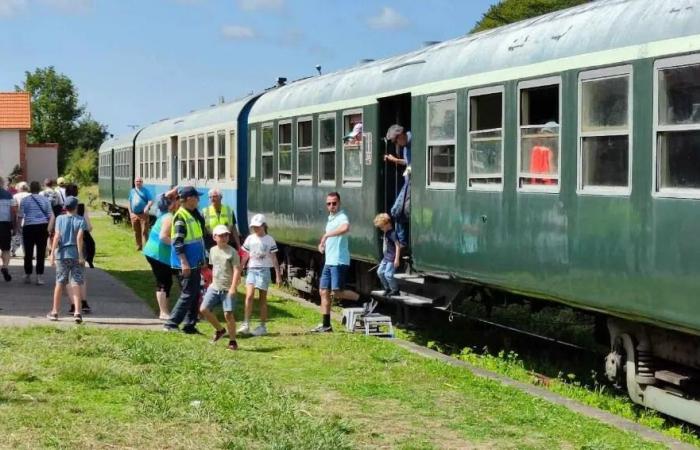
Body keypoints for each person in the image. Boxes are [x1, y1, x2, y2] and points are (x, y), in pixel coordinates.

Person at [312, 192, 361, 333]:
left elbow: (345, 228)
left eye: (334, 203)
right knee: (323, 291)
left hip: (339, 260)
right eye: (329, 203)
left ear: (339, 203)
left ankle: (365, 300)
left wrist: (327, 234)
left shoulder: (342, 217)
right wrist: (322, 245)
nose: (332, 206)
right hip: (329, 260)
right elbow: (332, 239)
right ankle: (326, 325)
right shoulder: (331, 219)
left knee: (337, 292)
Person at [163, 186, 206, 333]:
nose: (199, 200)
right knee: (188, 293)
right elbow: (178, 242)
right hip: (185, 263)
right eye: (196, 197)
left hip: (194, 262)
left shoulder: (192, 214)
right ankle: (171, 323)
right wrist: (184, 262)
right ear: (189, 199)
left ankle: (189, 325)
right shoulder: (181, 217)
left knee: (194, 293)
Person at [237, 214, 281, 337]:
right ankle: (246, 324)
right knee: (249, 296)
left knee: (262, 298)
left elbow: (274, 258)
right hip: (252, 269)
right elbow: (245, 256)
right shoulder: (250, 239)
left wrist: (278, 274)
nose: (255, 229)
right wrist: (240, 269)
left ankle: (262, 326)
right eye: (253, 227)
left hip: (264, 270)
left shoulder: (269, 240)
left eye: (257, 227)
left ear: (263, 226)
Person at [200, 224, 242, 350]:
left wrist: (233, 288)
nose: (224, 237)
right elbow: (214, 268)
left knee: (228, 314)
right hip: (214, 287)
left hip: (227, 288)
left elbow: (236, 271)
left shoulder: (232, 252)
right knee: (203, 309)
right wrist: (210, 282)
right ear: (214, 237)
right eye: (221, 235)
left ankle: (233, 341)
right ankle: (220, 330)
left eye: (226, 235)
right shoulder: (212, 250)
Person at [47, 196, 87, 323]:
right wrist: (80, 255)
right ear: (76, 207)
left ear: (65, 207)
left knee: (59, 283)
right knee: (76, 283)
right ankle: (77, 312)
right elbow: (79, 238)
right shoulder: (81, 220)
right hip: (75, 254)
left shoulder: (59, 218)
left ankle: (54, 312)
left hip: (62, 255)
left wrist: (52, 253)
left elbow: (57, 236)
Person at [143, 189, 178, 320]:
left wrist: (172, 192)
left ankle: (165, 311)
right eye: (175, 201)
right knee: (163, 282)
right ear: (171, 205)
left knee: (166, 282)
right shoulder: (169, 217)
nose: (177, 203)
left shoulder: (162, 213)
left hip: (154, 253)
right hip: (158, 255)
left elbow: (160, 197)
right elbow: (163, 237)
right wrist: (177, 244)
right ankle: (163, 312)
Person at [65, 184, 93, 314]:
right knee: (80, 275)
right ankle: (84, 302)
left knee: (67, 277)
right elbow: (89, 226)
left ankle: (72, 304)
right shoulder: (81, 207)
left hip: (64, 247)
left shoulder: (61, 208)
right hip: (81, 245)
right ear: (76, 193)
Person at [20, 181, 54, 285]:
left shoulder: (24, 200)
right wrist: (49, 229)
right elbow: (51, 215)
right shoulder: (45, 200)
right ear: (39, 189)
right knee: (41, 252)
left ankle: (28, 274)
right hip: (42, 227)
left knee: (28, 252)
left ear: (30, 188)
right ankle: (39, 276)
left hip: (29, 227)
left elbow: (20, 215)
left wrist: (18, 227)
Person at [385, 124, 412, 247]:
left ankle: (402, 244)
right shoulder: (406, 146)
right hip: (408, 181)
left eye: (396, 141)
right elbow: (408, 162)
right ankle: (401, 242)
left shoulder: (413, 142)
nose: (397, 144)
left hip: (412, 183)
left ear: (401, 135)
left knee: (397, 211)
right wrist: (395, 160)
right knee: (398, 211)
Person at [373, 213, 401, 296]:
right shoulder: (386, 232)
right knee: (380, 272)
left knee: (388, 274)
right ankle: (387, 288)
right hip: (386, 258)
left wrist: (397, 259)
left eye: (382, 227)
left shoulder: (392, 233)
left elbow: (397, 245)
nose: (381, 229)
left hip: (392, 258)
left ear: (387, 224)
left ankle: (395, 290)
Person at [128, 177, 153, 251]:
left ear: (142, 182)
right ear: (134, 182)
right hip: (134, 214)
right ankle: (139, 246)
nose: (138, 182)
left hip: (143, 215)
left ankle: (146, 247)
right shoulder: (132, 191)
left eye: (140, 181)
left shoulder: (146, 191)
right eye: (137, 181)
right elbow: (129, 202)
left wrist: (147, 207)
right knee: (136, 231)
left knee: (144, 231)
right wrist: (130, 213)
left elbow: (151, 201)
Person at [0, 177, 17, 282]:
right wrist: (14, 226)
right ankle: (5, 266)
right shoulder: (8, 195)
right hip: (5, 225)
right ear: (2, 183)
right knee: (6, 249)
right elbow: (13, 212)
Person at [11, 181, 30, 257]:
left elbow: (14, 208)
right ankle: (27, 252)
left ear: (20, 188)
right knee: (28, 236)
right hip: (30, 219)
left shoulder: (15, 196)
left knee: (20, 235)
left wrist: (17, 215)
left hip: (20, 218)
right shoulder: (31, 195)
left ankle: (13, 250)